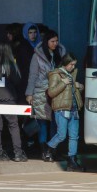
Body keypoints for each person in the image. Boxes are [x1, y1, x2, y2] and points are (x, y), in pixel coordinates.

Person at [25, 30, 65, 160]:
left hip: (57, 91)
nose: (55, 43)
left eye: (57, 41)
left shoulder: (61, 53)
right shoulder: (37, 55)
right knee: (43, 123)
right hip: (41, 92)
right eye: (52, 41)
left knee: (56, 122)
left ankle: (51, 150)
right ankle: (44, 151)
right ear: (46, 41)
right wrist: (29, 93)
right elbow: (33, 75)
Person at [43, 53, 85, 171]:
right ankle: (48, 148)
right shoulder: (55, 74)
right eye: (71, 64)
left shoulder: (71, 74)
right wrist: (64, 83)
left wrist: (79, 86)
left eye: (74, 65)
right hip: (62, 109)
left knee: (74, 137)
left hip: (73, 109)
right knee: (61, 135)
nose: (73, 66)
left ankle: (72, 161)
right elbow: (51, 92)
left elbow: (74, 89)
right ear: (65, 63)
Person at [0, 43, 28, 162]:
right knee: (13, 126)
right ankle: (18, 154)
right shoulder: (11, 64)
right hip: (8, 98)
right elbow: (17, 81)